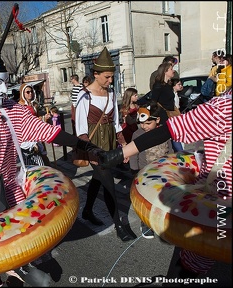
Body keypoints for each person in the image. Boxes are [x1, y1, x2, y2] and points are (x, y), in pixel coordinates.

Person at [0, 5, 102, 286]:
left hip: (8, 181)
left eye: (6, 83)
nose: (5, 90)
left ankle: (21, 266)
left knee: (11, 234)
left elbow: (45, 131)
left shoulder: (13, 110)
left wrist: (85, 145)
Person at [99, 89, 231, 280]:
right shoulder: (224, 108)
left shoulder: (224, 107)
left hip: (218, 201)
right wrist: (121, 153)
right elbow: (172, 129)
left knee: (197, 259)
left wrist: (120, 154)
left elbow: (170, 130)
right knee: (197, 259)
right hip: (215, 203)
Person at [75, 46, 135, 242]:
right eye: (107, 77)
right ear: (96, 74)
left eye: (112, 77)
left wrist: (124, 146)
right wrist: (92, 151)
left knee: (98, 179)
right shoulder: (84, 95)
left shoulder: (111, 94)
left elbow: (116, 124)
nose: (110, 81)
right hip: (93, 146)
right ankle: (119, 224)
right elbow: (81, 130)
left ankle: (87, 211)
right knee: (108, 182)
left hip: (109, 142)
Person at [128, 101, 173, 239]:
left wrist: (171, 163)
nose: (144, 126)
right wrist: (134, 169)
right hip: (145, 172)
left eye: (148, 123)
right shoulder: (137, 134)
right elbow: (133, 153)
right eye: (142, 123)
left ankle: (163, 224)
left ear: (157, 120)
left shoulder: (164, 131)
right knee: (147, 200)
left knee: (163, 199)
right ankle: (146, 224)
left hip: (163, 171)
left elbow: (170, 148)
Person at [18, 83, 52, 166]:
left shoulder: (34, 105)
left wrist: (45, 118)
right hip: (27, 136)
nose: (30, 94)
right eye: (28, 92)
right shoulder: (19, 106)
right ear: (23, 94)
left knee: (42, 155)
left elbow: (37, 117)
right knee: (32, 159)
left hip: (37, 132)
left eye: (31, 91)